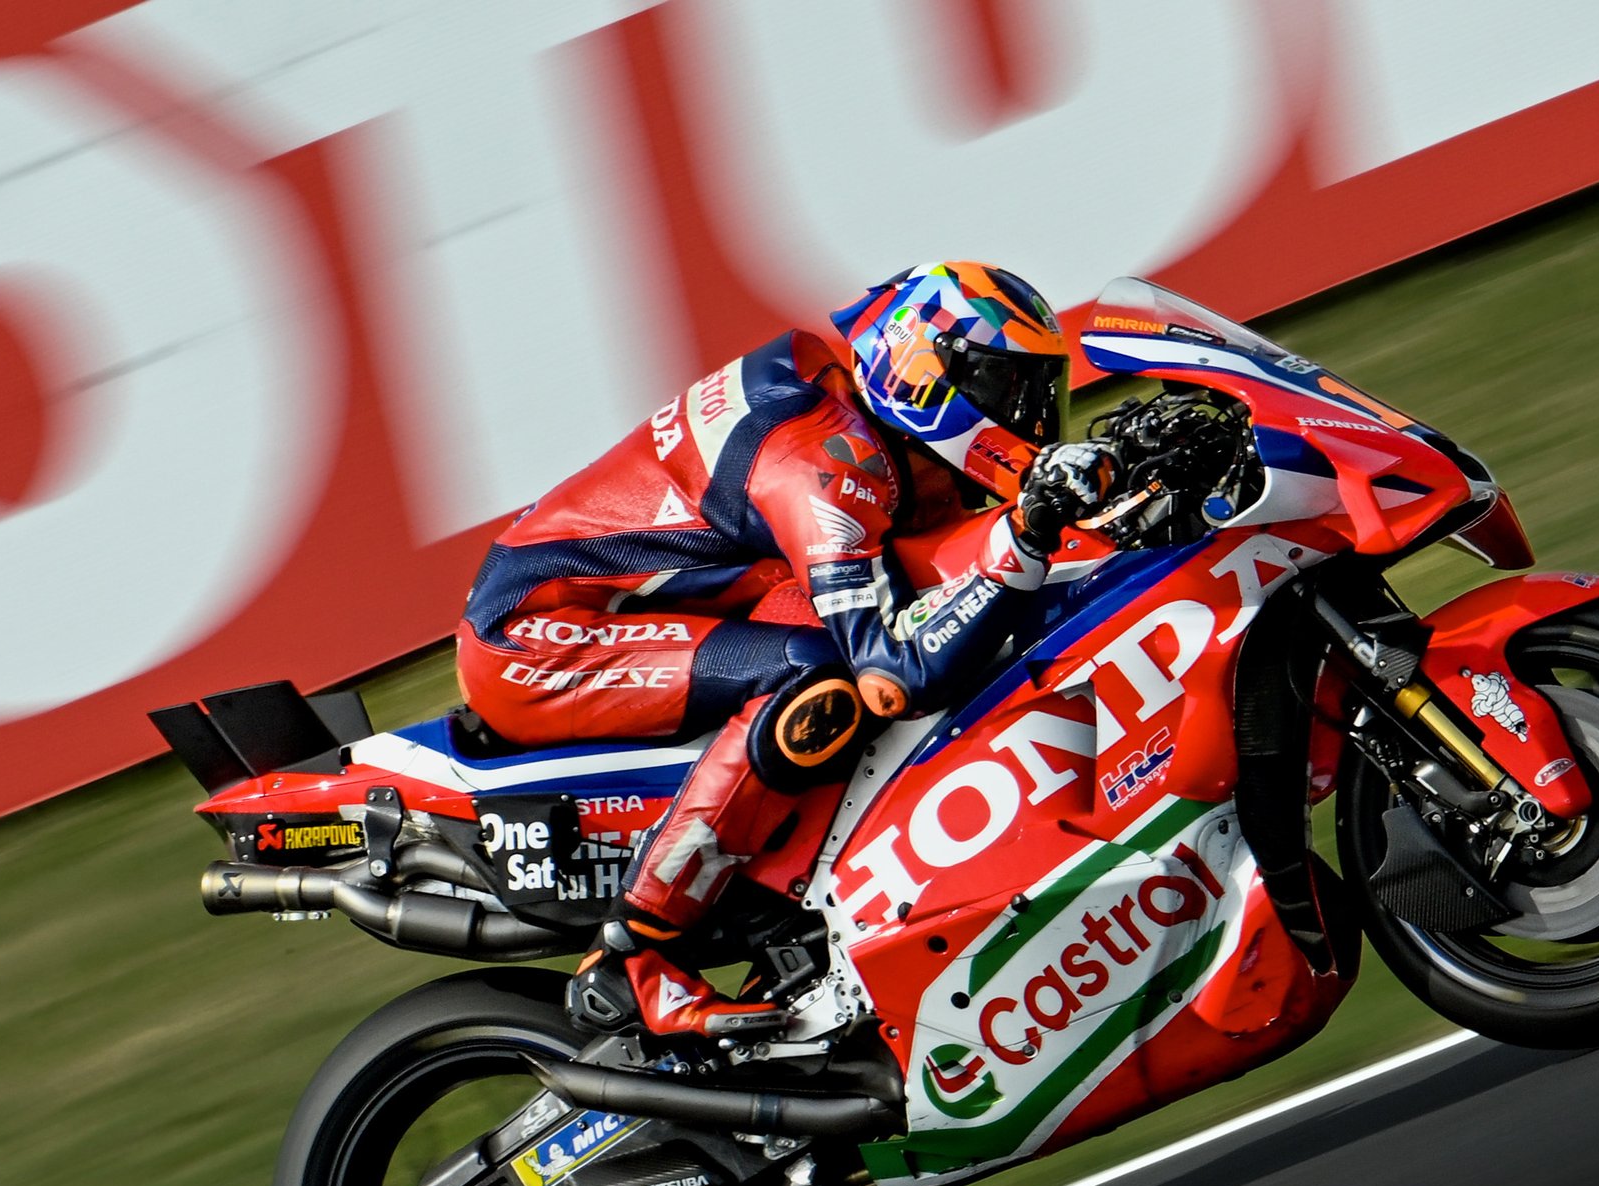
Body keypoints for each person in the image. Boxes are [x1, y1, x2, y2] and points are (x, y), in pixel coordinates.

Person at [456, 262, 1118, 1039]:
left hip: (654, 596)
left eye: (1042, 392)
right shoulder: (821, 459)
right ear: (926, 377)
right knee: (824, 675)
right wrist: (1030, 532)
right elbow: (894, 677)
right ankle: (636, 957)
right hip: (536, 635)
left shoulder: (871, 427)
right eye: (1012, 391)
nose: (1031, 417)